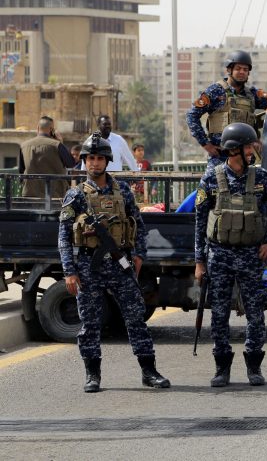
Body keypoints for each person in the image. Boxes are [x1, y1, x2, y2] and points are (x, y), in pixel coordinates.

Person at [58, 132, 170, 393]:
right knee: (90, 323)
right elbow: (64, 235)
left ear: (107, 161)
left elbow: (139, 226)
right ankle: (92, 374)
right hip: (88, 265)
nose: (95, 163)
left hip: (120, 264)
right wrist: (69, 272)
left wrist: (139, 256)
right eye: (90, 159)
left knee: (135, 318)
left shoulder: (123, 193)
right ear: (84, 161)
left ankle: (149, 371)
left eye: (99, 158)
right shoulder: (75, 196)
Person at [194, 122, 267, 387]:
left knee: (255, 312)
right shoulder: (211, 178)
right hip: (219, 255)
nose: (253, 149)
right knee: (219, 313)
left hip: (252, 256)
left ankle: (254, 366)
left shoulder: (262, 178)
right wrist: (199, 260)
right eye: (248, 146)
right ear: (234, 151)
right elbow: (199, 220)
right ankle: (222, 367)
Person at [186, 50, 267, 168]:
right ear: (229, 70)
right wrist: (205, 144)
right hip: (221, 157)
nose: (242, 72)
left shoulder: (251, 94)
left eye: (245, 70)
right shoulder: (215, 91)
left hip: (245, 158)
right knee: (215, 184)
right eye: (238, 68)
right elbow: (192, 115)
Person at [19, 115, 76, 198]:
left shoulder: (24, 146)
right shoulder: (57, 145)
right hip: (55, 194)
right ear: (52, 130)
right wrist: (60, 141)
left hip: (30, 193)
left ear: (38, 128)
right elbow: (70, 163)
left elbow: (21, 170)